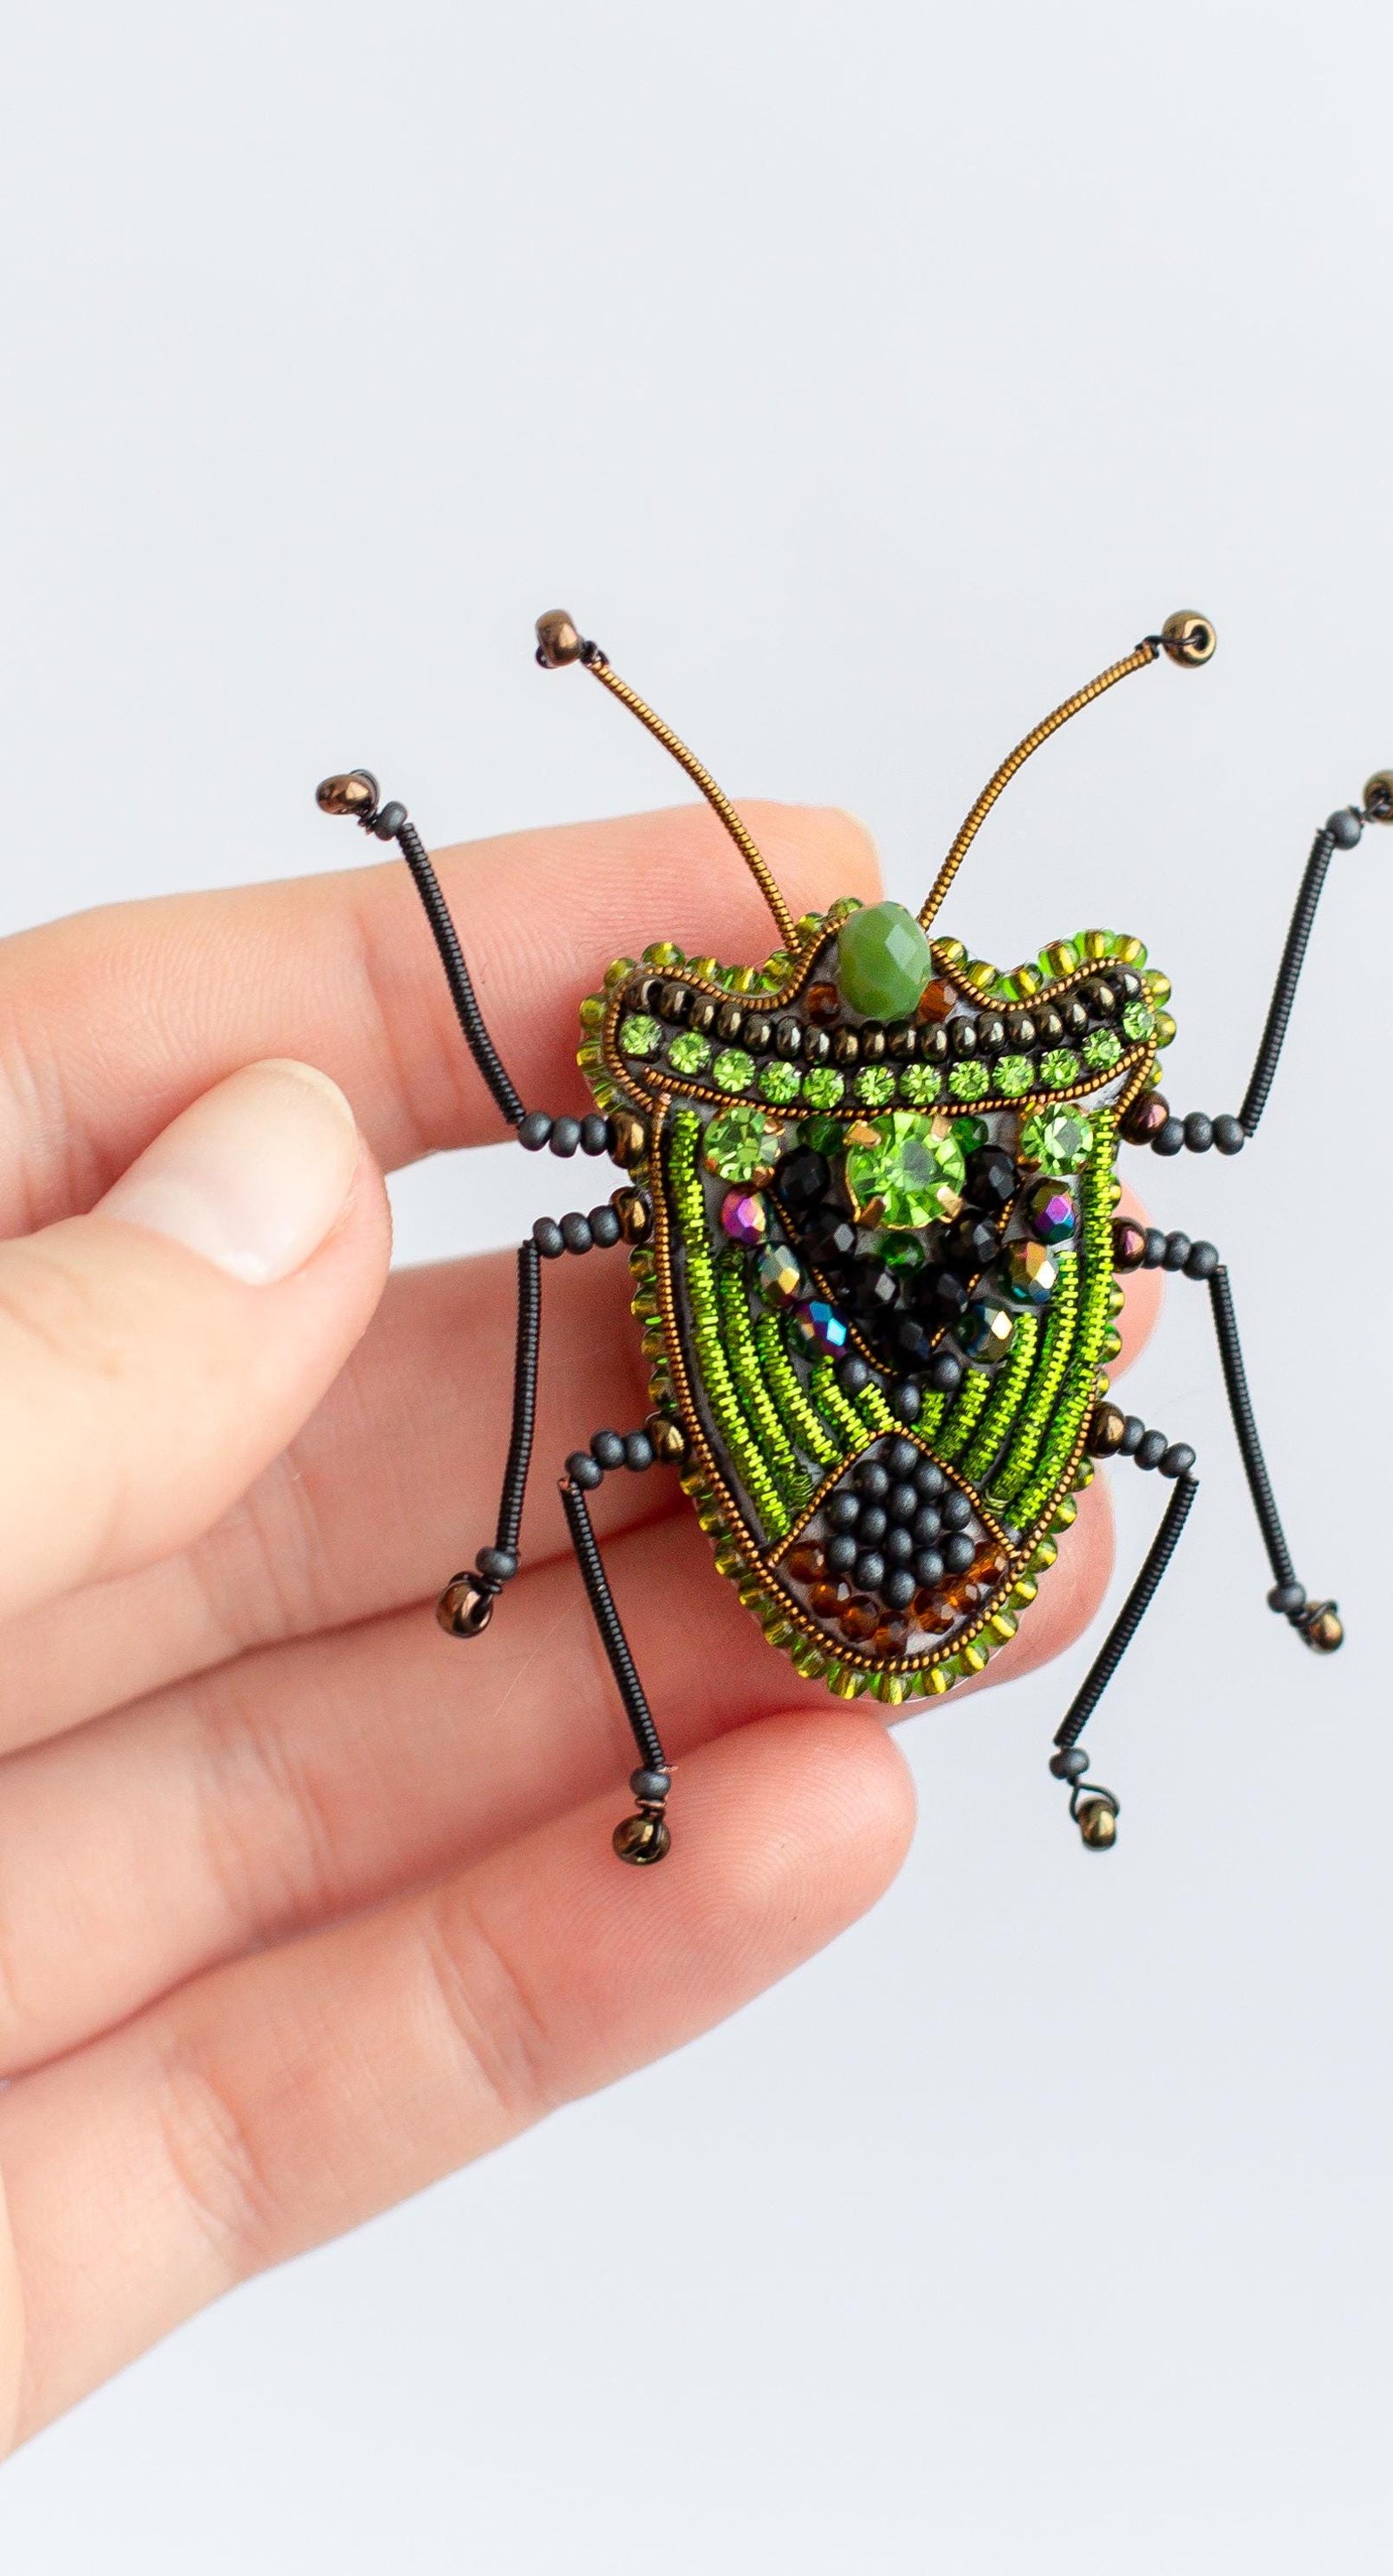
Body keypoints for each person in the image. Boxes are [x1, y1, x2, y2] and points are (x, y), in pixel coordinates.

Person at [0, 800, 1152, 2448]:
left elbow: (564, 1179)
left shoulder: (733, 1135)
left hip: (831, 1463)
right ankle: (1069, 1743)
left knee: (590, 1479)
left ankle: (931, 1738)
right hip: (904, 1464)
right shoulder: (836, 1131)